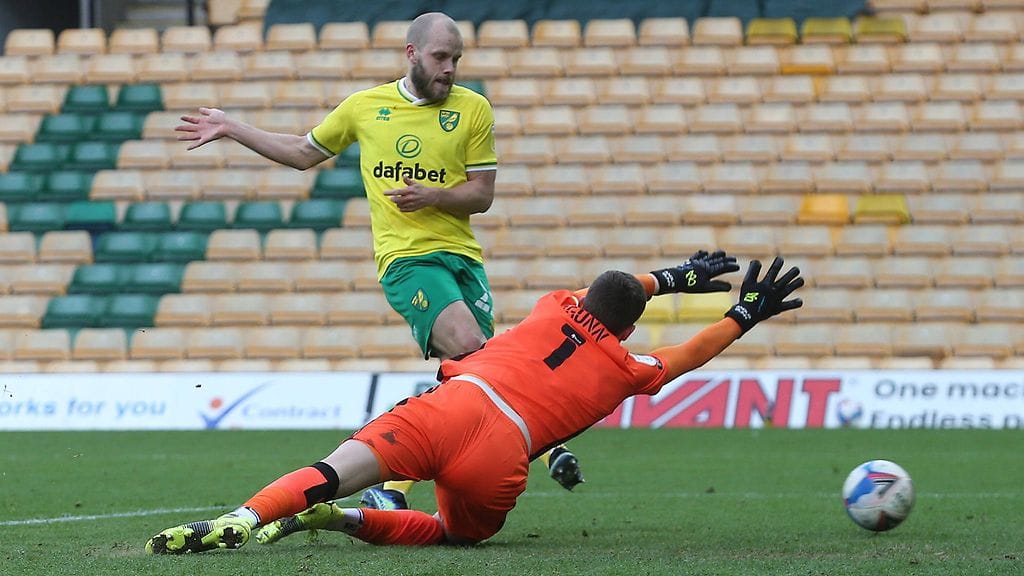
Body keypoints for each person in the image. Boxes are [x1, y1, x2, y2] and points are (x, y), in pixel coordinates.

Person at [174, 11, 583, 507]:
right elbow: (304, 152)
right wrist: (232, 127)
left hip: (463, 261)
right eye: (440, 57)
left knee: (472, 379)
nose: (449, 68)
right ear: (411, 54)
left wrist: (433, 196)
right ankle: (543, 446)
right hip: (407, 260)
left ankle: (390, 487)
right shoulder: (366, 107)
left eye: (456, 59)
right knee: (474, 350)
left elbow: (482, 195)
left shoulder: (473, 110)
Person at [145, 252, 803, 554]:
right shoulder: (630, 369)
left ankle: (243, 515)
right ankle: (341, 522)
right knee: (455, 534)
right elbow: (685, 357)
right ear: (629, 330)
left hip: (455, 403)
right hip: (498, 452)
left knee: (328, 469)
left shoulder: (554, 304)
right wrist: (743, 313)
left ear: (582, 301)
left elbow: (614, 287)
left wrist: (672, 278)